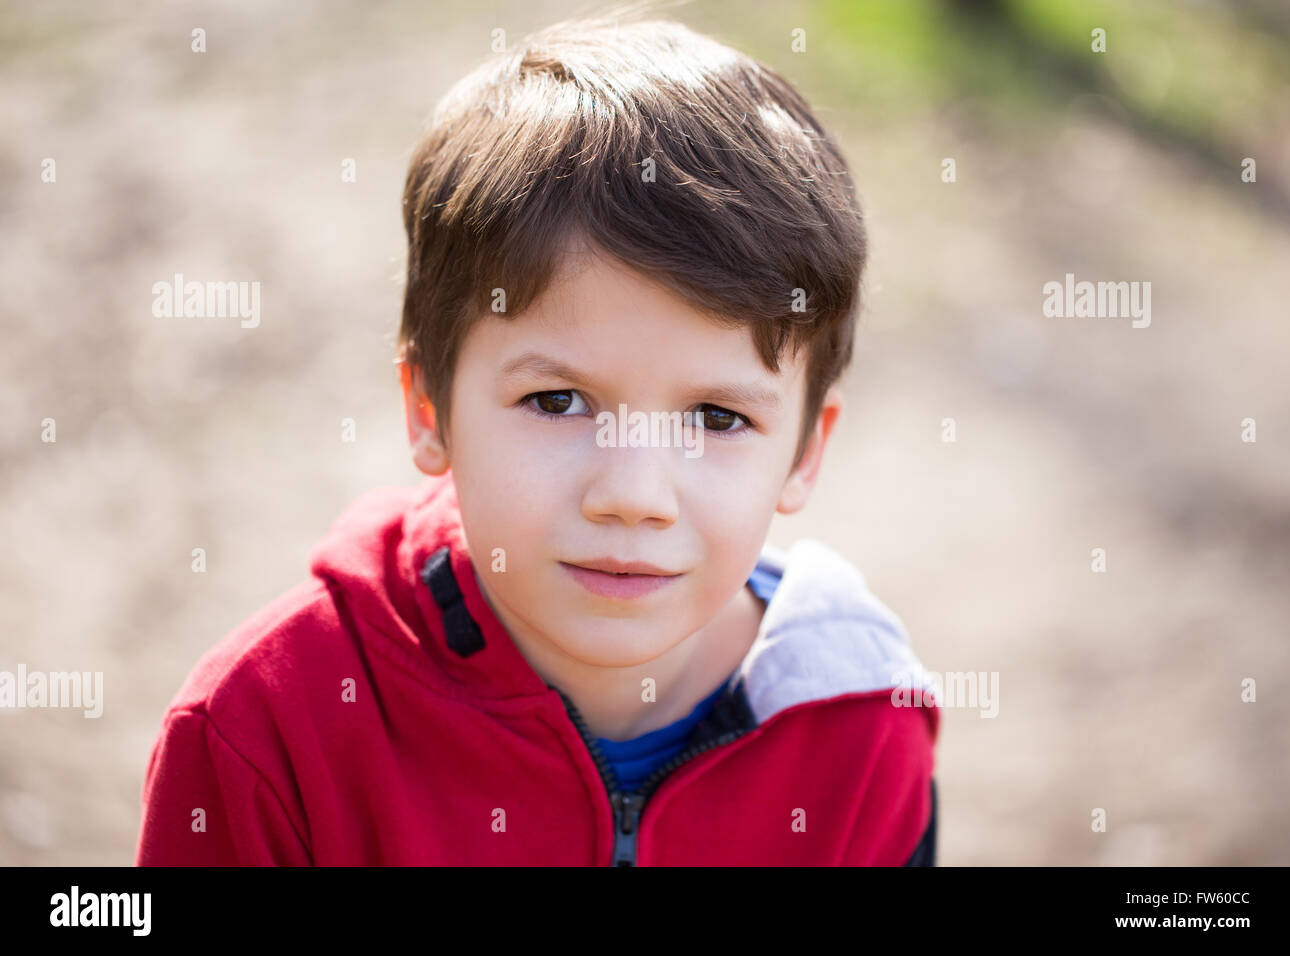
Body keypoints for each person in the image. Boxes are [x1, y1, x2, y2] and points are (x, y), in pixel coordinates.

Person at [135, 12, 941, 866]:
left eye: (716, 419)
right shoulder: (267, 735)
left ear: (806, 452)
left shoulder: (859, 732)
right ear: (428, 408)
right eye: (558, 401)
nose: (634, 494)